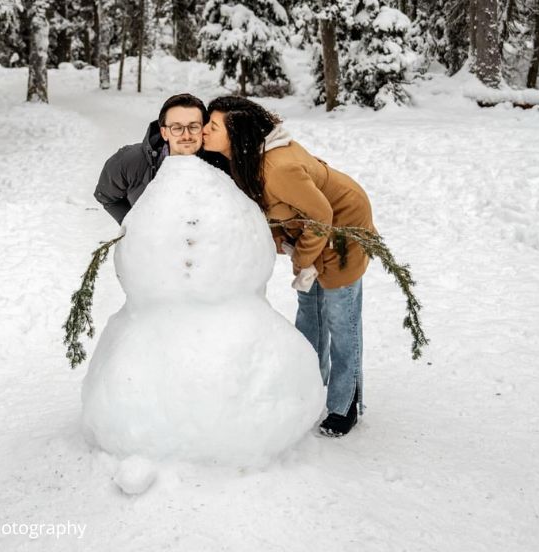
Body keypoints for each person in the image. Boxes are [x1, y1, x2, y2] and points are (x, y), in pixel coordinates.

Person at [202, 95, 375, 438]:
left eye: (213, 126)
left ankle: (345, 406)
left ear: (236, 135)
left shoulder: (276, 168)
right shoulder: (247, 160)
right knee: (309, 312)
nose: (205, 131)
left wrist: (303, 259)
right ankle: (308, 387)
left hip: (343, 231)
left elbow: (323, 214)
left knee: (341, 317)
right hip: (312, 231)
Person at [94, 93, 227, 225]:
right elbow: (105, 196)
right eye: (177, 128)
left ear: (204, 129)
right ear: (164, 133)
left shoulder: (221, 164)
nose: (186, 135)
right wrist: (134, 227)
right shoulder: (131, 160)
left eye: (193, 127)